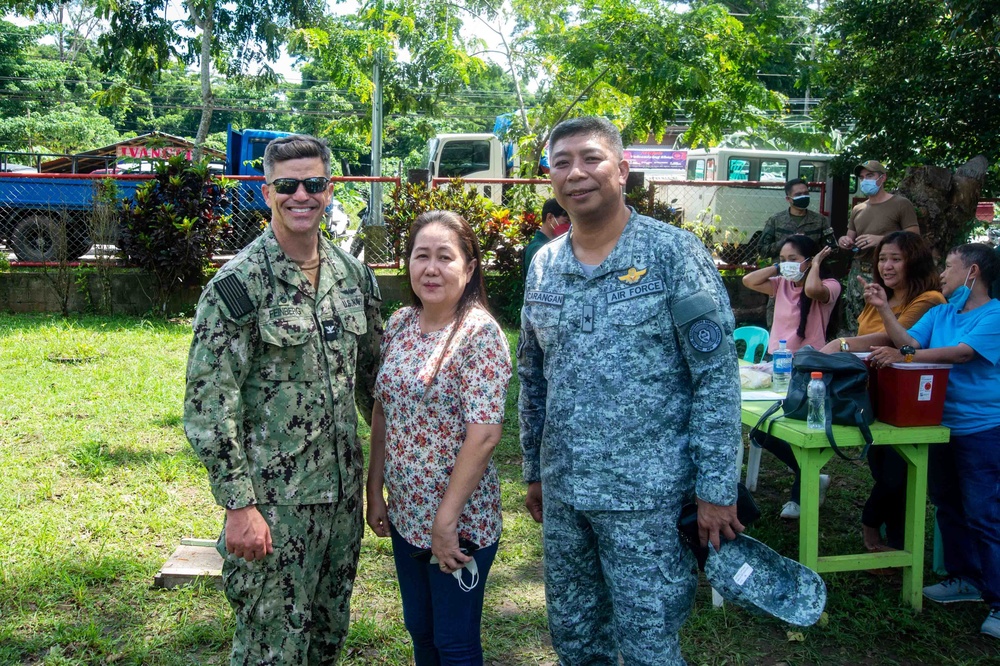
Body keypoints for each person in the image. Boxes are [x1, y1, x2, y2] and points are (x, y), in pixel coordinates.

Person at [518, 116, 744, 665]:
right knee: (575, 638)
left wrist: (716, 488)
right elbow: (532, 376)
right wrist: (534, 470)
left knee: (648, 645)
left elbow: (715, 377)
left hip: (647, 499)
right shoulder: (546, 264)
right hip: (567, 493)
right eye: (562, 162)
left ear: (622, 170)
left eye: (591, 158)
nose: (576, 172)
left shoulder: (673, 255)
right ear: (550, 178)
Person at [183, 134, 383, 666]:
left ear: (329, 189)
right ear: (267, 190)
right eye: (287, 185)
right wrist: (238, 506)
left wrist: (391, 476)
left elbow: (374, 386)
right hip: (273, 507)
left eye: (313, 184)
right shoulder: (239, 285)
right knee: (269, 648)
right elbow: (209, 406)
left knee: (325, 639)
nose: (302, 195)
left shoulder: (352, 276)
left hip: (340, 503)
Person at [366, 210, 512, 665]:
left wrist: (445, 523)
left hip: (458, 522)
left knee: (455, 641)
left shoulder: (479, 334)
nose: (431, 268)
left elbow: (485, 434)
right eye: (421, 256)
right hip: (408, 513)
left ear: (469, 270)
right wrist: (374, 491)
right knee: (421, 631)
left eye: (445, 257)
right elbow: (382, 409)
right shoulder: (401, 324)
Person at [865, 243, 1000, 640]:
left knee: (985, 513)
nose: (942, 274)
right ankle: (965, 580)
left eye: (950, 267)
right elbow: (910, 340)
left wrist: (905, 356)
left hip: (982, 428)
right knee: (947, 504)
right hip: (938, 424)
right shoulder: (941, 312)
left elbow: (959, 355)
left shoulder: (994, 315)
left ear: (972, 273)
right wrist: (885, 310)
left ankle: (998, 600)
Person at [820, 231, 945, 552]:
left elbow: (895, 341)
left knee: (897, 476)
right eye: (882, 259)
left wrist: (840, 344)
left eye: (896, 259)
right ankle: (894, 543)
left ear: (914, 262)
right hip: (871, 395)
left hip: (906, 401)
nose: (887, 266)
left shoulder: (929, 299)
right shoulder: (880, 295)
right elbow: (869, 338)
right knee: (885, 473)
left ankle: (873, 528)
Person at [741, 235, 841, 518]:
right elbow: (749, 281)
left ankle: (801, 493)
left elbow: (812, 291)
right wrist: (779, 267)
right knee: (761, 428)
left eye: (793, 259)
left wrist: (817, 264)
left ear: (810, 259)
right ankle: (811, 474)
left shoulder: (830, 286)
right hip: (779, 364)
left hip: (810, 368)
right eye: (783, 259)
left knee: (799, 429)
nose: (787, 265)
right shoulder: (781, 283)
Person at [837, 160, 921, 333]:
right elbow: (849, 236)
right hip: (859, 269)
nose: (865, 181)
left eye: (870, 176)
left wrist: (881, 240)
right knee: (856, 316)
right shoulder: (858, 208)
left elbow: (914, 237)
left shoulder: (900, 204)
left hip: (887, 270)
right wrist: (844, 241)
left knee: (882, 317)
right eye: (862, 177)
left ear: (882, 178)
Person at [757, 179, 837, 326]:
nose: (803, 196)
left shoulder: (819, 221)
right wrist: (786, 241)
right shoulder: (776, 220)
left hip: (810, 282)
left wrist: (814, 258)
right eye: (798, 194)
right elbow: (762, 249)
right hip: (782, 281)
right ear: (788, 198)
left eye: (806, 193)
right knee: (777, 323)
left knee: (809, 323)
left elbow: (832, 250)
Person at [522, 197, 570, 282]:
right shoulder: (539, 248)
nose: (569, 227)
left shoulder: (553, 245)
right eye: (566, 222)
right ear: (550, 218)